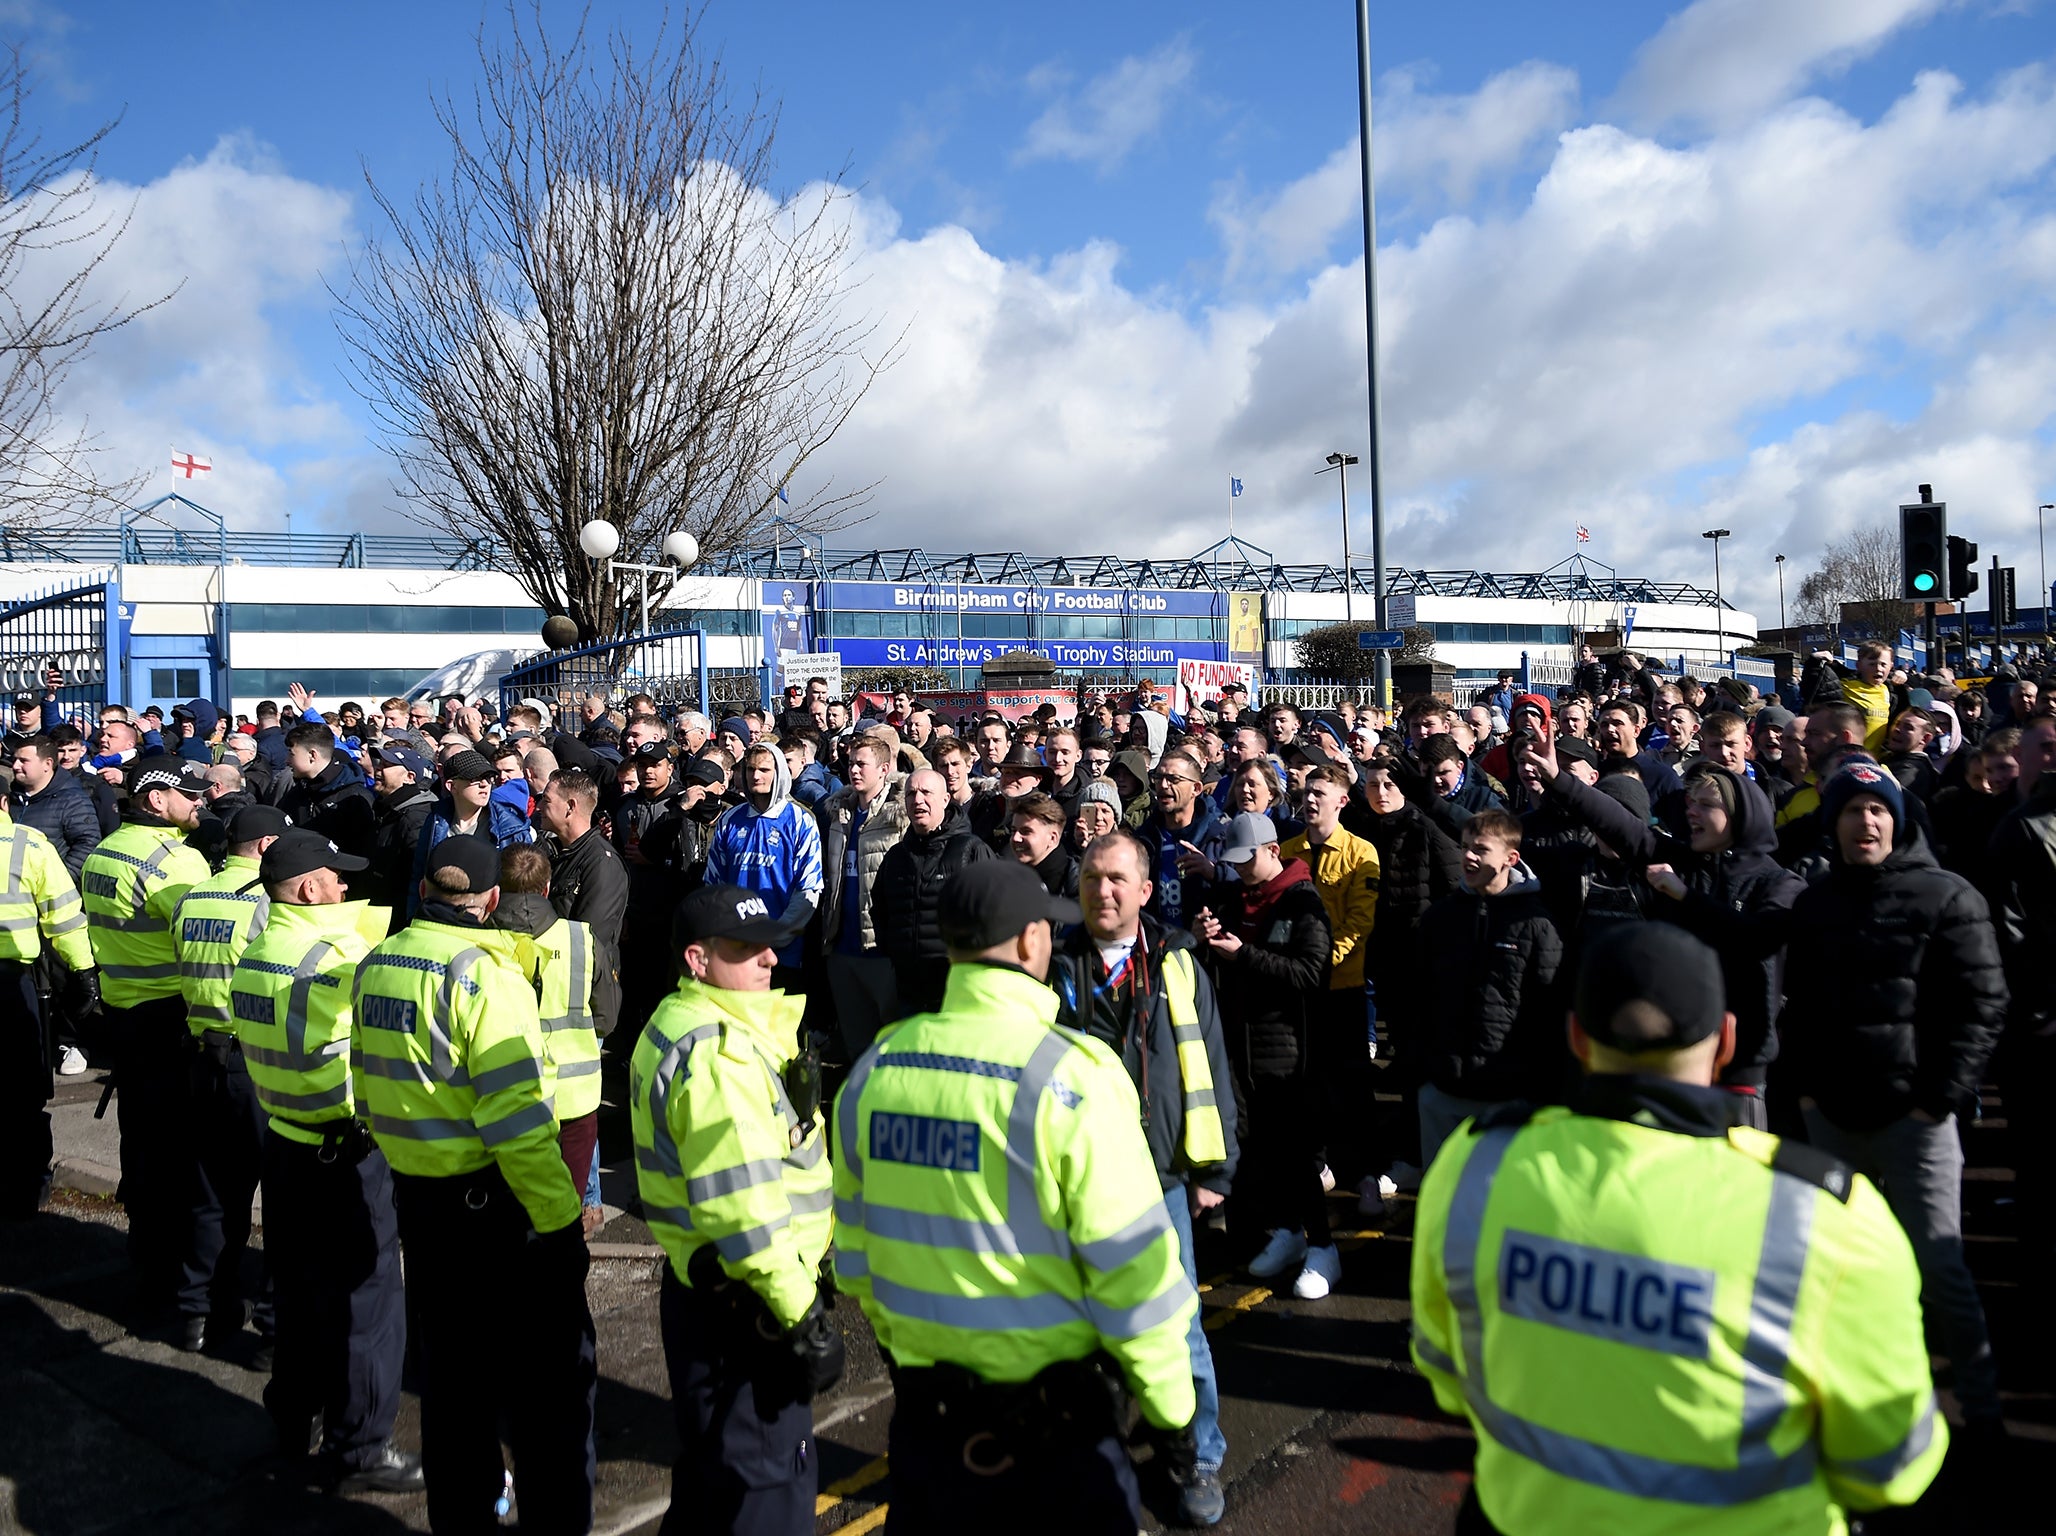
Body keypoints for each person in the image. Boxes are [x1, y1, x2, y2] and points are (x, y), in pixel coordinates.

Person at [1411, 924, 1947, 1535]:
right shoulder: (1823, 1214)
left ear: (1577, 1037)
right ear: (1726, 1041)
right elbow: (1888, 1467)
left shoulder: (1476, 1164)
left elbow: (1448, 1374)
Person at [832, 860, 1198, 1532]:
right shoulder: (1073, 1076)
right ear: (1031, 943)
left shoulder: (877, 1069)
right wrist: (1175, 1423)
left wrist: (913, 1358)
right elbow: (1136, 1276)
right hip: (1055, 1446)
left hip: (928, 1433)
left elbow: (856, 1258)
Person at [354, 836, 596, 1533]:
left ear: (425, 891)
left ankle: (464, 1518)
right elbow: (519, 1125)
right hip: (491, 1211)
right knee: (543, 1395)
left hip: (420, 1203)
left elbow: (366, 1086)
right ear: (492, 902)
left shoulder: (380, 963)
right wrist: (558, 1225)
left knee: (453, 1386)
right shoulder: (488, 978)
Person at [1777, 761, 2007, 1431]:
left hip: (1917, 1122)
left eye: (1879, 810)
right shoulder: (1816, 903)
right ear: (1835, 822)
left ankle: (1983, 1413)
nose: (1866, 821)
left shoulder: (1948, 896)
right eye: (1852, 811)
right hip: (1835, 1121)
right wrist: (1813, 1099)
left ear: (1897, 820)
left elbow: (1984, 1003)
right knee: (1837, 1279)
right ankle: (1853, 1414)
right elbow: (1805, 1008)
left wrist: (1937, 1099)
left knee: (1941, 1271)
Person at [629, 884, 842, 1535]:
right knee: (764, 1488)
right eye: (745, 948)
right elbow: (745, 1214)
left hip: (708, 1292)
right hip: (751, 1307)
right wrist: (802, 1315)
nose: (769, 959)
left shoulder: (676, 1022)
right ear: (698, 960)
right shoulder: (719, 1055)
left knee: (711, 1482)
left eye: (770, 945)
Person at [1052, 831, 1238, 1527]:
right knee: (1079, 1328)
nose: (1103, 891)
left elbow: (1210, 1062)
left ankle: (1196, 1452)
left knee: (1175, 1322)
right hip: (1070, 1177)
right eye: (1093, 878)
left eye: (1117, 879)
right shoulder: (1052, 963)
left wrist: (1214, 1167)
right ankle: (1092, 1447)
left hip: (1155, 1175)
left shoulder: (1178, 963)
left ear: (1144, 891)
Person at [227, 828, 421, 1492]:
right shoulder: (340, 955)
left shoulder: (257, 951)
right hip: (346, 1153)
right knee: (367, 1303)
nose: (345, 886)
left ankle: (292, 1423)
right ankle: (361, 1447)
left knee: (300, 1293)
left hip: (284, 1143)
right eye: (336, 877)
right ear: (309, 889)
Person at [81, 755, 213, 1320]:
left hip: (123, 1014)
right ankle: (170, 1269)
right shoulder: (177, 863)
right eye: (190, 793)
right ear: (157, 800)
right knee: (178, 1149)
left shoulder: (105, 851)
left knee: (140, 1137)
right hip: (170, 1018)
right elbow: (207, 945)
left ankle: (144, 1248)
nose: (201, 800)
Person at [1192, 812, 1336, 1297]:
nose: (1240, 871)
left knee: (1295, 1153)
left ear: (1273, 850)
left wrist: (1244, 955)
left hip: (1288, 1048)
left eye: (1247, 860)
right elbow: (1218, 958)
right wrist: (1207, 938)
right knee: (1256, 1150)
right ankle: (1288, 1233)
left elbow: (1310, 974)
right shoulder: (1236, 898)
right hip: (1241, 1046)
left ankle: (1323, 1246)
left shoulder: (1302, 902)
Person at [169, 802, 290, 1354]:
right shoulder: (266, 904)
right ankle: (272, 1332)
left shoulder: (193, 896)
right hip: (257, 1064)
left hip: (203, 1056)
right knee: (284, 1202)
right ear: (266, 848)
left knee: (215, 1195)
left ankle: (196, 1314)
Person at [1415, 811, 1563, 1165]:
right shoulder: (1441, 918)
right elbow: (1418, 996)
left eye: (1480, 850)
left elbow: (1550, 1008)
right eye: (1465, 847)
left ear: (1511, 858)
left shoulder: (1537, 923)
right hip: (1443, 1090)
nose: (1468, 856)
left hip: (1507, 1096)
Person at [494, 846, 615, 1236]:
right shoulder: (581, 939)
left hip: (505, 1096)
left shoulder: (480, 942)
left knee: (506, 1217)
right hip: (574, 1100)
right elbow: (606, 1017)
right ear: (547, 888)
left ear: (497, 890)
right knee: (564, 1214)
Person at [1279, 763, 1380, 1198]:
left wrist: (1319, 960)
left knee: (1353, 1082)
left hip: (1342, 986)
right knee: (1306, 1082)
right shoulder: (1287, 851)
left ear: (1342, 800)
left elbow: (1360, 922)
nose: (1311, 799)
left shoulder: (1361, 853)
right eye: (1307, 791)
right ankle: (1317, 1164)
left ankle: (1364, 1171)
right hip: (1300, 989)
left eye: (1321, 792)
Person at [0, 796, 95, 1219]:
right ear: (5, 801)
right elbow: (64, 916)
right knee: (23, 1086)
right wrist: (83, 971)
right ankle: (28, 1184)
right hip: (12, 982)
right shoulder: (29, 843)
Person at [869, 768, 992, 1017]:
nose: (918, 800)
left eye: (926, 793)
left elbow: (992, 913)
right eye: (911, 794)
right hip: (907, 990)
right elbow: (880, 910)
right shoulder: (896, 857)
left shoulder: (970, 850)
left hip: (957, 987)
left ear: (946, 800)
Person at [705, 741, 824, 978]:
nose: (755, 776)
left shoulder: (800, 820)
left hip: (784, 952)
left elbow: (809, 888)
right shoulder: (730, 819)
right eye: (750, 770)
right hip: (736, 945)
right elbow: (713, 884)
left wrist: (777, 934)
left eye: (764, 770)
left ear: (779, 772)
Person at [1137, 747, 1228, 932]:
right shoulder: (1144, 837)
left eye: (1173, 779)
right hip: (1157, 949)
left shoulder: (1219, 834)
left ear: (1196, 788)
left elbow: (1242, 891)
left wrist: (1213, 873)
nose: (1163, 786)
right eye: (1158, 778)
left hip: (1205, 952)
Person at [277, 721, 377, 861]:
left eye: (291, 754)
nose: (287, 761)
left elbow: (362, 854)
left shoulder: (354, 798)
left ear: (313, 755)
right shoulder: (297, 792)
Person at [10, 733, 100, 881]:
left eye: (23, 761)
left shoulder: (72, 800)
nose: (15, 766)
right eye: (15, 760)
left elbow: (87, 844)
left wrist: (59, 882)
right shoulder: (11, 798)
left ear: (47, 764)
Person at [1007, 790, 1078, 897]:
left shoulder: (1078, 886)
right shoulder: (1006, 879)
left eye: (1026, 832)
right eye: (1013, 831)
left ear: (1052, 838)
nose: (1016, 838)